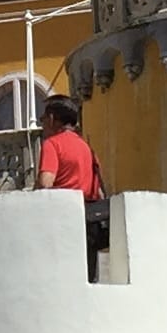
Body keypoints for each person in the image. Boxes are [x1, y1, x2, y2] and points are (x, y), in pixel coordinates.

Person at [36, 95, 110, 253]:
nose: (42, 124)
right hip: (91, 220)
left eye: (42, 119)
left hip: (63, 219)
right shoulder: (86, 147)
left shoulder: (52, 144)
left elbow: (45, 183)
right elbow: (99, 190)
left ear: (51, 118)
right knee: (88, 273)